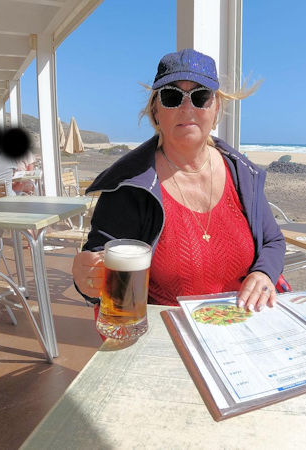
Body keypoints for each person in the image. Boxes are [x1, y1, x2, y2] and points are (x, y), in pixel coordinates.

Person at [72, 49, 286, 330]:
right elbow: (104, 272)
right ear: (156, 110)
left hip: (243, 326)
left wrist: (264, 273)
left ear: (216, 108)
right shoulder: (128, 185)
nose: (187, 108)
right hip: (168, 333)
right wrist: (87, 279)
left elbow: (273, 241)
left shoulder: (242, 174)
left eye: (200, 96)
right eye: (172, 97)